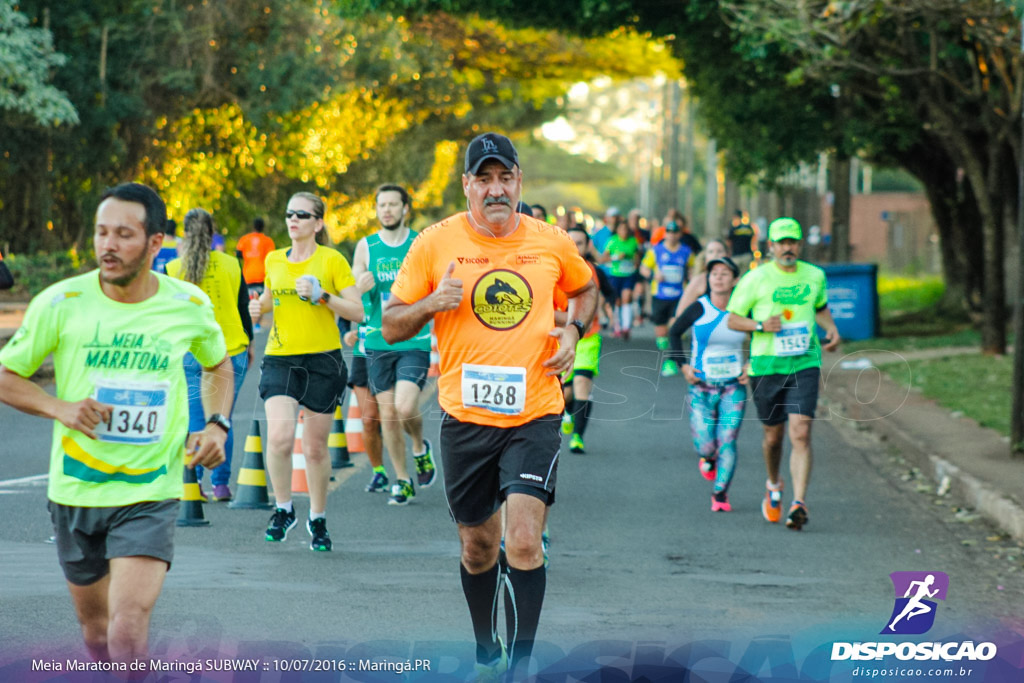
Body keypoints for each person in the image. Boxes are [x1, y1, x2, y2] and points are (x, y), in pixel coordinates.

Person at [382, 132, 597, 679]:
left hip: (535, 412)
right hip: (465, 417)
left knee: (523, 540)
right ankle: (487, 651)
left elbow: (585, 288)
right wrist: (433, 303)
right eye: (485, 179)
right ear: (467, 186)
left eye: (506, 178)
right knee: (479, 547)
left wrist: (572, 328)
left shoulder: (551, 241)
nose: (496, 190)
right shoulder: (434, 243)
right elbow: (390, 322)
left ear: (519, 181)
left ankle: (520, 664)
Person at [0, 182, 233, 663]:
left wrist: (216, 424)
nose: (108, 245)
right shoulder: (61, 302)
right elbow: (6, 375)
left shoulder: (186, 305)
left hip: (150, 490)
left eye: (124, 234)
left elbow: (219, 365)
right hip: (76, 491)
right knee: (97, 634)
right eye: (101, 233)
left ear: (155, 243)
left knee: (127, 627)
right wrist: (60, 408)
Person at [248, 192, 363, 552]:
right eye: (289, 214)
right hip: (281, 357)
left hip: (323, 361)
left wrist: (323, 296)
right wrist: (258, 308)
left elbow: (358, 311)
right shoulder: (273, 259)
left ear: (318, 223)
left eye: (302, 214)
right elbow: (271, 298)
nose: (293, 219)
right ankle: (284, 509)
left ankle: (317, 518)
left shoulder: (332, 260)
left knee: (314, 449)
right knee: (280, 437)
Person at [726, 217, 840, 531]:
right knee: (773, 437)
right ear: (771, 246)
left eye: (793, 242)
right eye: (782, 243)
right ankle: (774, 483)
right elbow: (733, 320)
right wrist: (761, 326)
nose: (788, 248)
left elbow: (819, 307)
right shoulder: (756, 279)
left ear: (799, 244)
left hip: (803, 363)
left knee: (801, 432)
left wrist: (831, 330)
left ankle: (798, 503)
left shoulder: (815, 276)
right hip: (766, 366)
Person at [351, 184, 436, 506]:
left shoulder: (420, 244)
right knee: (387, 414)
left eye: (392, 204)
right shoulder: (366, 246)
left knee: (403, 406)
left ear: (405, 209)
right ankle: (402, 479)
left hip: (414, 337)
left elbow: (433, 282)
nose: (386, 210)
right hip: (377, 339)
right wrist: (361, 283)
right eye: (381, 205)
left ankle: (419, 446)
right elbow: (355, 281)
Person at [166, 208, 253, 502]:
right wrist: (250, 344)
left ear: (185, 234)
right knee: (220, 420)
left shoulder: (173, 268)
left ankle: (193, 482)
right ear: (214, 232)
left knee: (194, 419)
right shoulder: (232, 264)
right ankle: (221, 484)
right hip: (233, 349)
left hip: (191, 353)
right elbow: (243, 308)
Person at [674, 257, 748, 511]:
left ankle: (720, 493)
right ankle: (707, 457)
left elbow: (762, 335)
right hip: (701, 387)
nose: (718, 277)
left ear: (735, 280)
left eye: (725, 273)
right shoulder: (700, 307)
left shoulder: (744, 309)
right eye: (714, 273)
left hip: (732, 387)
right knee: (706, 444)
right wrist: (683, 366)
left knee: (727, 440)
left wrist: (752, 365)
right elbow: (674, 332)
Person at [562, 227, 616, 454]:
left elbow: (610, 294)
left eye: (580, 243)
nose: (575, 247)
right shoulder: (552, 269)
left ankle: (578, 437)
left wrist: (604, 308)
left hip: (588, 337)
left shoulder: (595, 271)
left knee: (582, 384)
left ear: (587, 246)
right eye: (571, 242)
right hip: (559, 337)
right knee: (566, 393)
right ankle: (567, 412)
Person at [640, 220, 693, 376]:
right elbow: (643, 268)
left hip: (678, 296)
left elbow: (694, 268)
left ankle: (671, 360)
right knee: (661, 333)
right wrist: (653, 275)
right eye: (669, 232)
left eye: (675, 232)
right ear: (665, 234)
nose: (672, 235)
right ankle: (666, 351)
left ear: (679, 234)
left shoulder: (686, 251)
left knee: (674, 327)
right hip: (660, 295)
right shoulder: (656, 251)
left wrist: (691, 278)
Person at [341, 318, 386, 492]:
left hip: (394, 352)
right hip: (363, 353)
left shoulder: (397, 288)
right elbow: (344, 314)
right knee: (369, 419)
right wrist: (346, 333)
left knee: (394, 418)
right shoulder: (356, 290)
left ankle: (417, 452)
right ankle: (379, 472)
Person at [599, 217, 640, 340]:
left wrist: (634, 262)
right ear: (617, 230)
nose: (624, 232)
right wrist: (616, 257)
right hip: (615, 274)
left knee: (627, 297)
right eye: (622, 229)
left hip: (628, 274)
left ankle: (626, 327)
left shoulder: (633, 242)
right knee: (616, 300)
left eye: (626, 229)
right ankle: (617, 326)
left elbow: (637, 257)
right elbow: (603, 258)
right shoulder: (612, 241)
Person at [235, 217, 276, 332]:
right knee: (261, 299)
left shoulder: (245, 239)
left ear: (253, 226)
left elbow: (238, 254)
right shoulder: (267, 241)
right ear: (263, 227)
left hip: (248, 274)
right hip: (262, 274)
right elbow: (271, 257)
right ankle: (257, 324)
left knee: (250, 300)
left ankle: (250, 323)